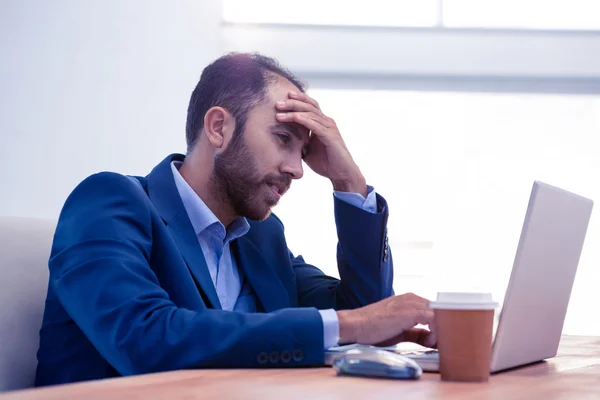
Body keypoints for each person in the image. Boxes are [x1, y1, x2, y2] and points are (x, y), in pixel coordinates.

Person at [35, 53, 435, 386]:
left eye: (304, 152)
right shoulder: (109, 202)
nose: (298, 169)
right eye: (282, 139)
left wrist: (349, 182)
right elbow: (146, 340)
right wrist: (354, 323)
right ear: (219, 127)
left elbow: (364, 311)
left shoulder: (261, 236)